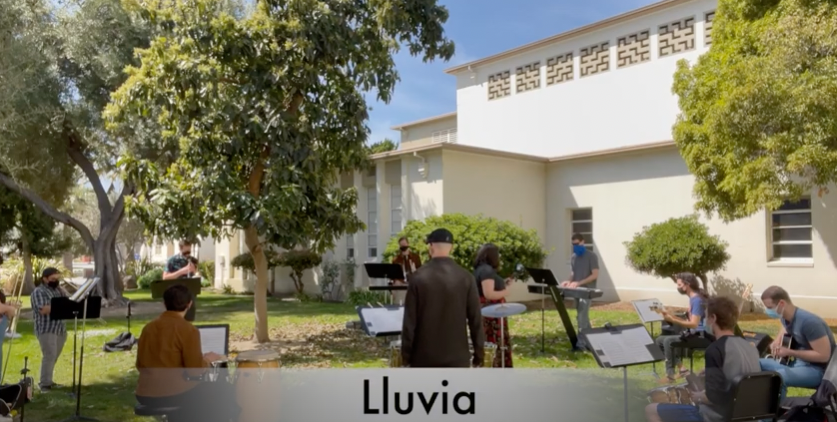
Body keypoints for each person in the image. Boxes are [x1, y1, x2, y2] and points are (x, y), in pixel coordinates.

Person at [646, 296, 761, 422]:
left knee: (651, 409)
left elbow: (713, 397)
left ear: (713, 318)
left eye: (706, 317)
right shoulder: (750, 347)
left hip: (718, 417)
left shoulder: (715, 349)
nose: (705, 321)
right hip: (747, 415)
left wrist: (698, 397)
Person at [136, 285, 240, 422]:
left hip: (144, 394)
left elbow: (139, 365)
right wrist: (207, 360)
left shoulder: (148, 328)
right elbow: (195, 372)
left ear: (164, 303)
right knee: (222, 390)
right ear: (189, 304)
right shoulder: (188, 330)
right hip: (172, 394)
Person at [401, 228, 484, 367]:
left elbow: (409, 322)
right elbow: (475, 320)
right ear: (451, 247)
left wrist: (406, 356)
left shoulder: (418, 278)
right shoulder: (466, 278)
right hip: (458, 357)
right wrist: (479, 354)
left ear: (431, 246)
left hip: (423, 358)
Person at [758, 286, 835, 399]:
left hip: (818, 371)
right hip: (796, 365)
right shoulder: (785, 316)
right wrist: (777, 340)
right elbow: (786, 328)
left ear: (782, 303)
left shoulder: (809, 323)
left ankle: (769, 416)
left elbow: (824, 356)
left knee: (778, 377)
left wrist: (789, 352)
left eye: (769, 307)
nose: (767, 311)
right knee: (755, 363)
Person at [655, 272, 708, 382]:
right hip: (694, 334)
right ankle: (682, 369)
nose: (677, 287)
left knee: (668, 341)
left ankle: (670, 375)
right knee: (659, 340)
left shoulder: (697, 300)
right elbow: (689, 321)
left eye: (679, 285)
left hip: (703, 337)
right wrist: (671, 316)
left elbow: (694, 324)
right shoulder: (693, 298)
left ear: (687, 285)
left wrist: (673, 320)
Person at [473, 243, 515, 368]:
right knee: (493, 341)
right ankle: (495, 366)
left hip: (487, 310)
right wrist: (505, 292)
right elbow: (489, 294)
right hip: (491, 313)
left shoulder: (481, 269)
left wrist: (502, 282)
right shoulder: (487, 270)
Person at [30, 267, 68, 392]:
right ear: (45, 279)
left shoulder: (58, 290)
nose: (55, 281)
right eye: (52, 279)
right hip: (47, 328)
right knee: (49, 355)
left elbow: (69, 302)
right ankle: (44, 384)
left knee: (54, 356)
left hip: (60, 328)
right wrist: (60, 306)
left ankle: (49, 380)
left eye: (57, 279)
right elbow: (43, 309)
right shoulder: (38, 292)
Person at [560, 233, 599, 350]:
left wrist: (579, 283)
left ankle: (581, 344)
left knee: (582, 316)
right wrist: (568, 281)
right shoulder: (573, 257)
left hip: (587, 290)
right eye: (573, 244)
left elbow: (595, 275)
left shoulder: (592, 256)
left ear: (583, 242)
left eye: (577, 244)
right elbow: (573, 273)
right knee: (581, 317)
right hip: (576, 290)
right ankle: (593, 341)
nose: (575, 246)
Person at [390, 236, 422, 304]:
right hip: (401, 282)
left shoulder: (415, 257)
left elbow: (420, 271)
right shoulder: (396, 259)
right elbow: (393, 275)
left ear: (408, 244)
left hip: (413, 281)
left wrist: (414, 270)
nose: (403, 247)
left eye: (404, 244)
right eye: (401, 245)